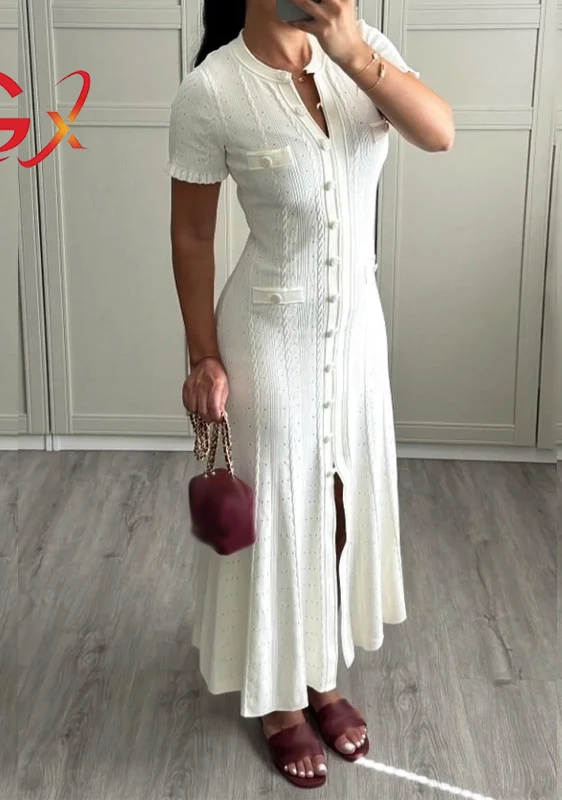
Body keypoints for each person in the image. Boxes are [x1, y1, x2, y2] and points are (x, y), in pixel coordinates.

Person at [168, 0, 454, 788]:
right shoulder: (212, 91)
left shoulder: (364, 52)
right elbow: (192, 234)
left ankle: (321, 675)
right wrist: (203, 355)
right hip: (268, 336)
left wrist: (355, 54)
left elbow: (438, 132)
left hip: (357, 334)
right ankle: (279, 701)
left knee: (339, 510)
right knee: (283, 515)